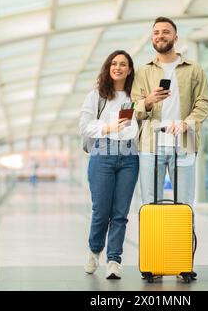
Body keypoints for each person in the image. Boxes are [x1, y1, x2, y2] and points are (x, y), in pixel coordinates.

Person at [132, 17, 208, 279]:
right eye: (155, 32)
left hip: (184, 144)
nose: (160, 36)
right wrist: (148, 101)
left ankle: (182, 264)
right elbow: (135, 110)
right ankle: (152, 263)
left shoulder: (194, 69)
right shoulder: (143, 72)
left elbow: (204, 103)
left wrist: (188, 123)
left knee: (184, 204)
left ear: (175, 37)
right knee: (151, 204)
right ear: (152, 38)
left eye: (166, 32)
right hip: (151, 146)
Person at [79, 50, 139, 280]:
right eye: (114, 63)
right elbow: (84, 126)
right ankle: (95, 251)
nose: (118, 67)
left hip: (129, 155)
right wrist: (109, 127)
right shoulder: (97, 94)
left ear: (130, 69)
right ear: (108, 67)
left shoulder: (135, 94)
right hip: (102, 153)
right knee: (101, 211)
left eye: (123, 64)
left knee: (120, 213)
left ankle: (114, 260)